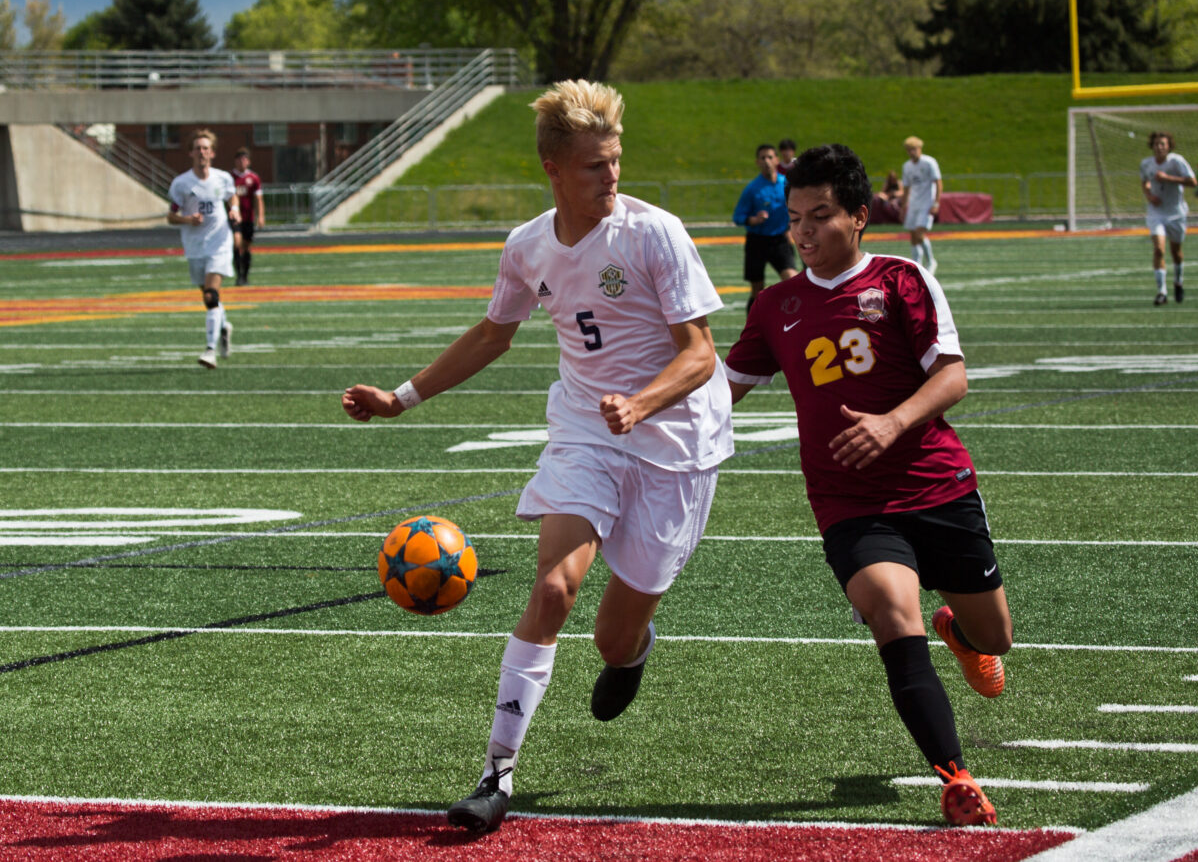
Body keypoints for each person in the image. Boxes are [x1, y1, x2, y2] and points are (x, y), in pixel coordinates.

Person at [341, 79, 734, 834]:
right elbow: (493, 335)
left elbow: (700, 355)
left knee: (611, 638)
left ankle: (632, 649)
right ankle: (496, 773)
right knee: (552, 589)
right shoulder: (527, 246)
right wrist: (401, 398)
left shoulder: (655, 234)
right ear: (554, 169)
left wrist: (642, 402)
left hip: (676, 445)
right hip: (587, 433)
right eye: (594, 166)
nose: (611, 177)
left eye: (615, 161)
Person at [723, 143, 1012, 827]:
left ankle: (963, 633)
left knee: (995, 636)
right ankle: (956, 777)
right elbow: (722, 391)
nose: (803, 233)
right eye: (795, 218)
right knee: (891, 613)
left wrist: (892, 422)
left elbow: (953, 376)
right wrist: (640, 410)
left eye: (820, 216)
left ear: (859, 216)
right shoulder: (775, 306)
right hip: (850, 502)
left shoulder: (902, 279)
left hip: (936, 483)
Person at [167, 129, 239, 369]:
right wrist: (188, 219)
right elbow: (171, 215)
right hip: (195, 246)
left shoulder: (223, 178)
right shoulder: (182, 183)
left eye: (206, 148)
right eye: (197, 148)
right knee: (209, 298)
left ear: (213, 153)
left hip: (219, 243)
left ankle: (210, 350)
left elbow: (232, 197)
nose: (202, 152)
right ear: (191, 152)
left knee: (211, 296)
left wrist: (234, 209)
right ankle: (224, 326)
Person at [732, 144, 799, 313]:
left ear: (777, 160)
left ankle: (793, 323)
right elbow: (737, 217)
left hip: (779, 241)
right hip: (757, 242)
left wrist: (794, 224)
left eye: (770, 157)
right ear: (757, 162)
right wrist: (752, 220)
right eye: (762, 158)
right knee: (757, 290)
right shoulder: (752, 189)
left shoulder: (787, 185)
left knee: (793, 281)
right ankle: (752, 328)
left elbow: (799, 207)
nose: (766, 161)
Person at [1140, 131, 1196, 305]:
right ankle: (1162, 292)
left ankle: (1178, 282)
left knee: (1176, 252)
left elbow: (1193, 182)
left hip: (1176, 212)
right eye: (1156, 144)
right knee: (1159, 249)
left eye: (1162, 144)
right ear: (1152, 146)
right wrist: (1149, 196)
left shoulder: (1176, 161)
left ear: (1169, 146)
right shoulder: (1146, 164)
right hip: (1156, 213)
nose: (1159, 147)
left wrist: (1168, 178)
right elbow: (1144, 182)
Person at [899, 136, 942, 274]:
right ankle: (917, 265)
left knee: (919, 233)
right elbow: (906, 188)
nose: (912, 152)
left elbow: (938, 183)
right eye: (909, 150)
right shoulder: (906, 166)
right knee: (912, 235)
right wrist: (903, 206)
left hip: (926, 203)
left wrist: (936, 202)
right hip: (914, 203)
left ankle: (931, 261)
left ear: (920, 149)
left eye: (914, 149)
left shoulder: (929, 162)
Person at [230, 148, 265, 286]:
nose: (242, 161)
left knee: (246, 246)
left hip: (248, 217)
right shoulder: (229, 177)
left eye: (244, 159)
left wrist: (260, 216)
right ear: (235, 161)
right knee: (236, 243)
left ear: (249, 161)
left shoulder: (253, 178)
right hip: (234, 217)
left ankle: (245, 276)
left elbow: (258, 199)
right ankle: (239, 275)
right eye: (239, 159)